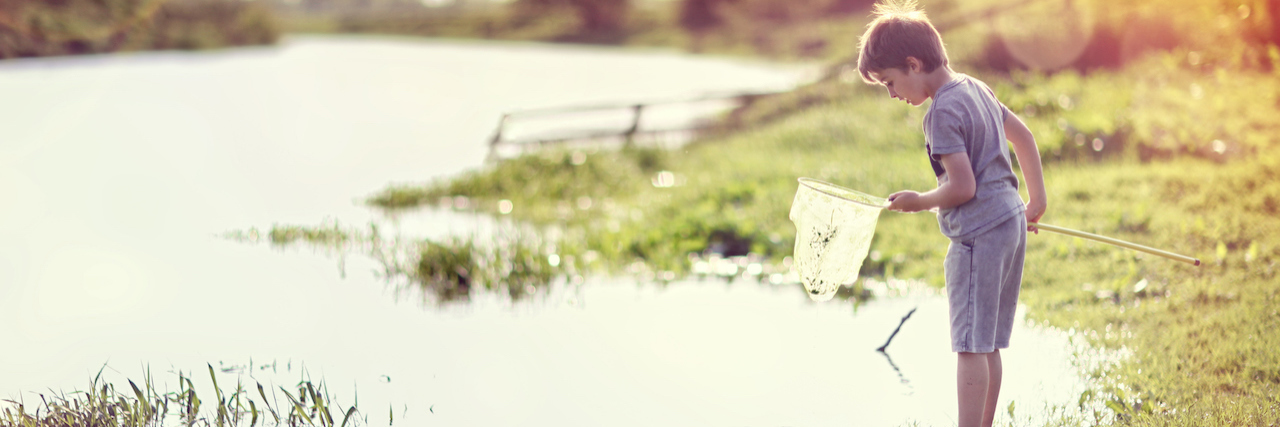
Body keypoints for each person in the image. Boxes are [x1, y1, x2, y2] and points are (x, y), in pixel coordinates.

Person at [855, 1, 1048, 426]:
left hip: (979, 235)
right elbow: (1024, 137)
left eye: (890, 82)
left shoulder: (940, 112)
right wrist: (1035, 201)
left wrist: (919, 201)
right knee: (987, 341)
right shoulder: (976, 87)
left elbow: (963, 188)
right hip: (1010, 222)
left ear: (913, 64)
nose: (892, 94)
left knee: (969, 344)